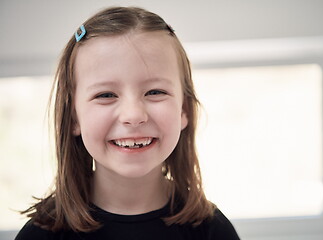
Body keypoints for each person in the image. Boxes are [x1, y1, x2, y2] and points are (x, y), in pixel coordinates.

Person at [15, 6, 240, 240]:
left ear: (184, 110)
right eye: (106, 95)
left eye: (155, 91)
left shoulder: (212, 230)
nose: (133, 115)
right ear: (74, 118)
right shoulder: (41, 235)